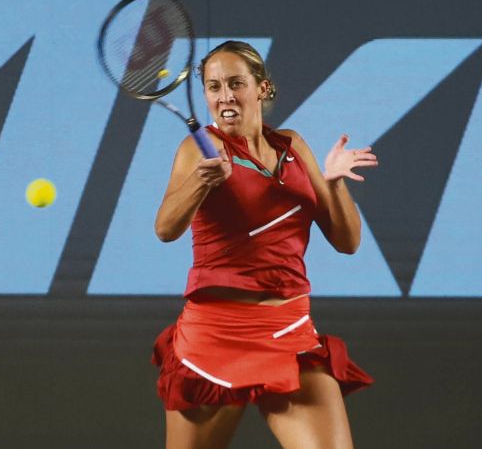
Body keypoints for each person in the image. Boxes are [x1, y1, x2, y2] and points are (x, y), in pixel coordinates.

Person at [151, 40, 378, 449]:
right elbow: (165, 229)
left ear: (262, 89)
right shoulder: (198, 149)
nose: (225, 96)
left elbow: (348, 241)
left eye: (236, 83)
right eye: (214, 86)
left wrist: (333, 183)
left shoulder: (293, 146)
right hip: (214, 338)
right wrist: (200, 183)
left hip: (288, 330)